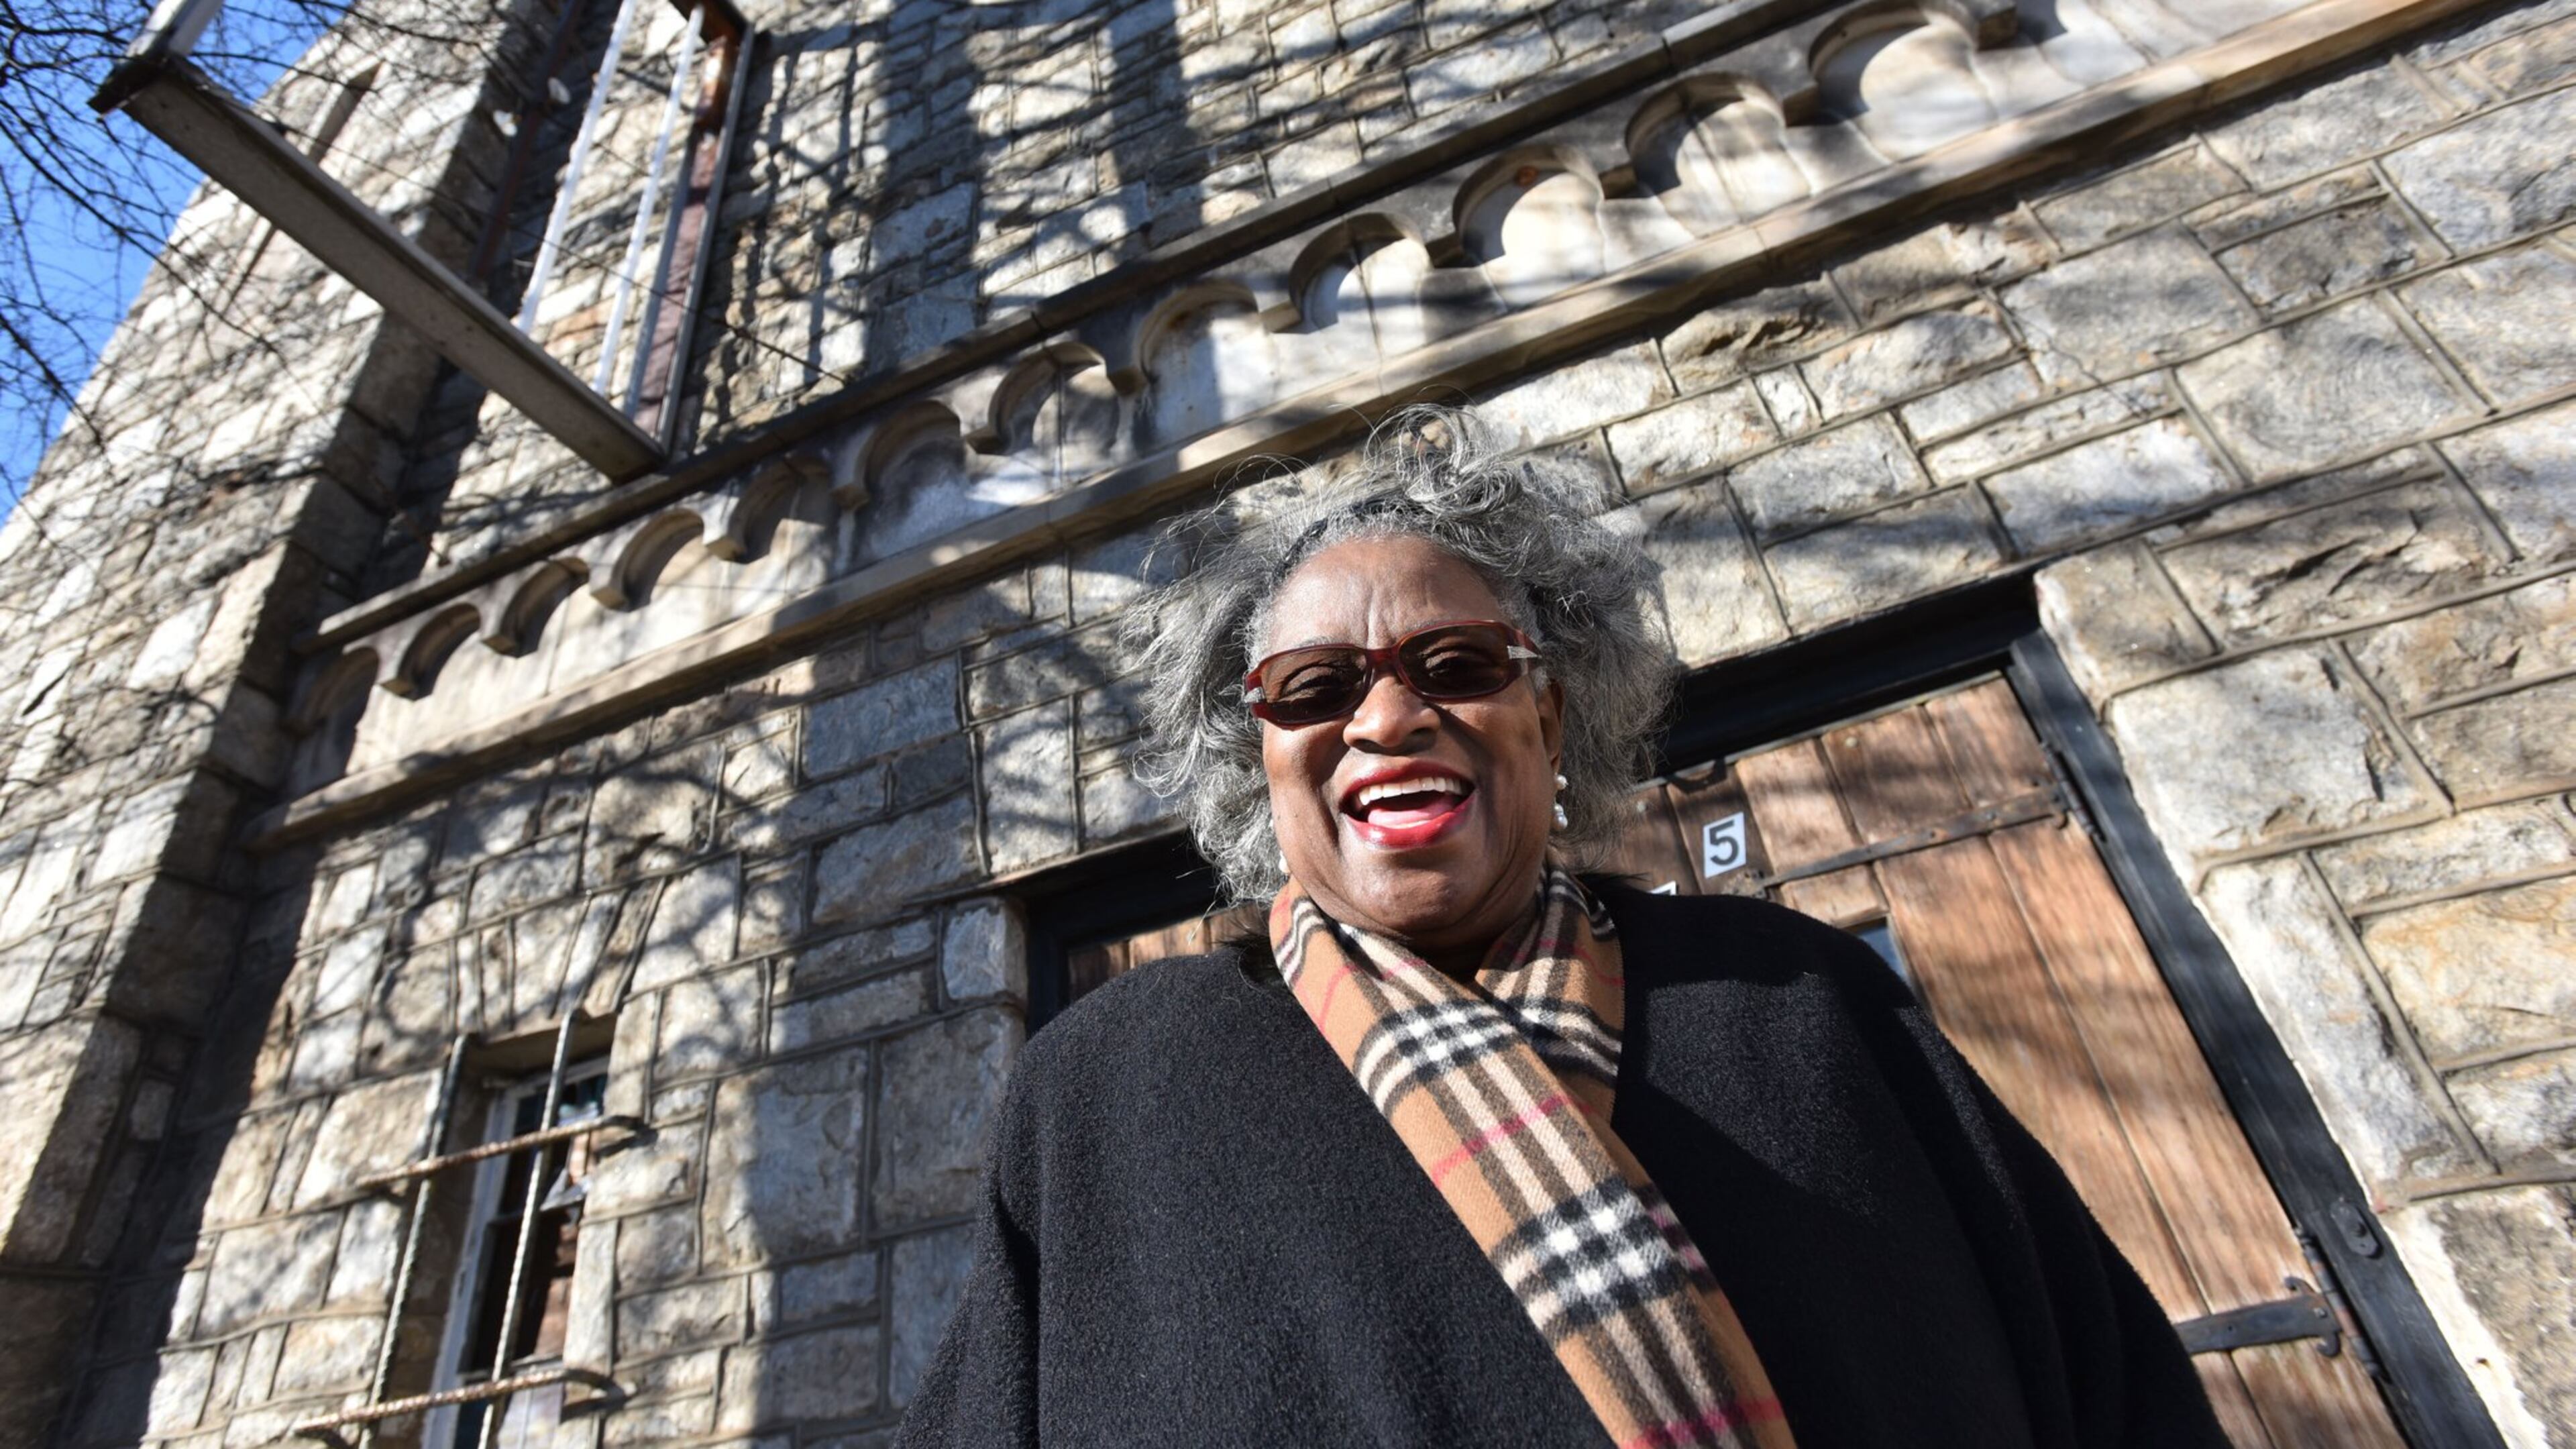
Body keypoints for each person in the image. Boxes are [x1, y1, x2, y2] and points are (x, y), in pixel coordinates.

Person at [895, 408, 2227, 1448]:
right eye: (1313, 688)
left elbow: (2119, 1399)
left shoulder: (1804, 1003)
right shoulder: (1107, 1090)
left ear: (1555, 713)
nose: (1388, 718)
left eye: (1461, 667)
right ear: (1257, 757)